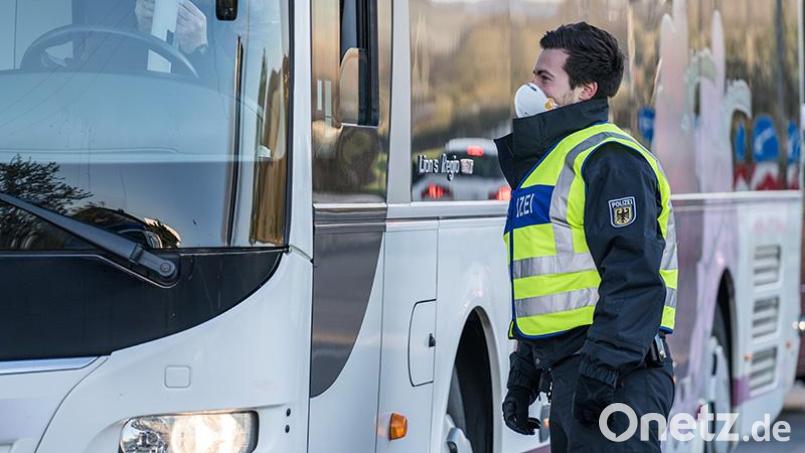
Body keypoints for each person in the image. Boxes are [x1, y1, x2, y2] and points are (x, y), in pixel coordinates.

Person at [495, 22, 677, 452]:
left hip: (619, 378)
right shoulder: (550, 163)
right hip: (575, 374)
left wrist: (601, 372)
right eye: (534, 74)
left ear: (585, 89)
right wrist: (525, 374)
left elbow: (633, 280)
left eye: (545, 77)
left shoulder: (611, 161)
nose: (531, 87)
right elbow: (548, 288)